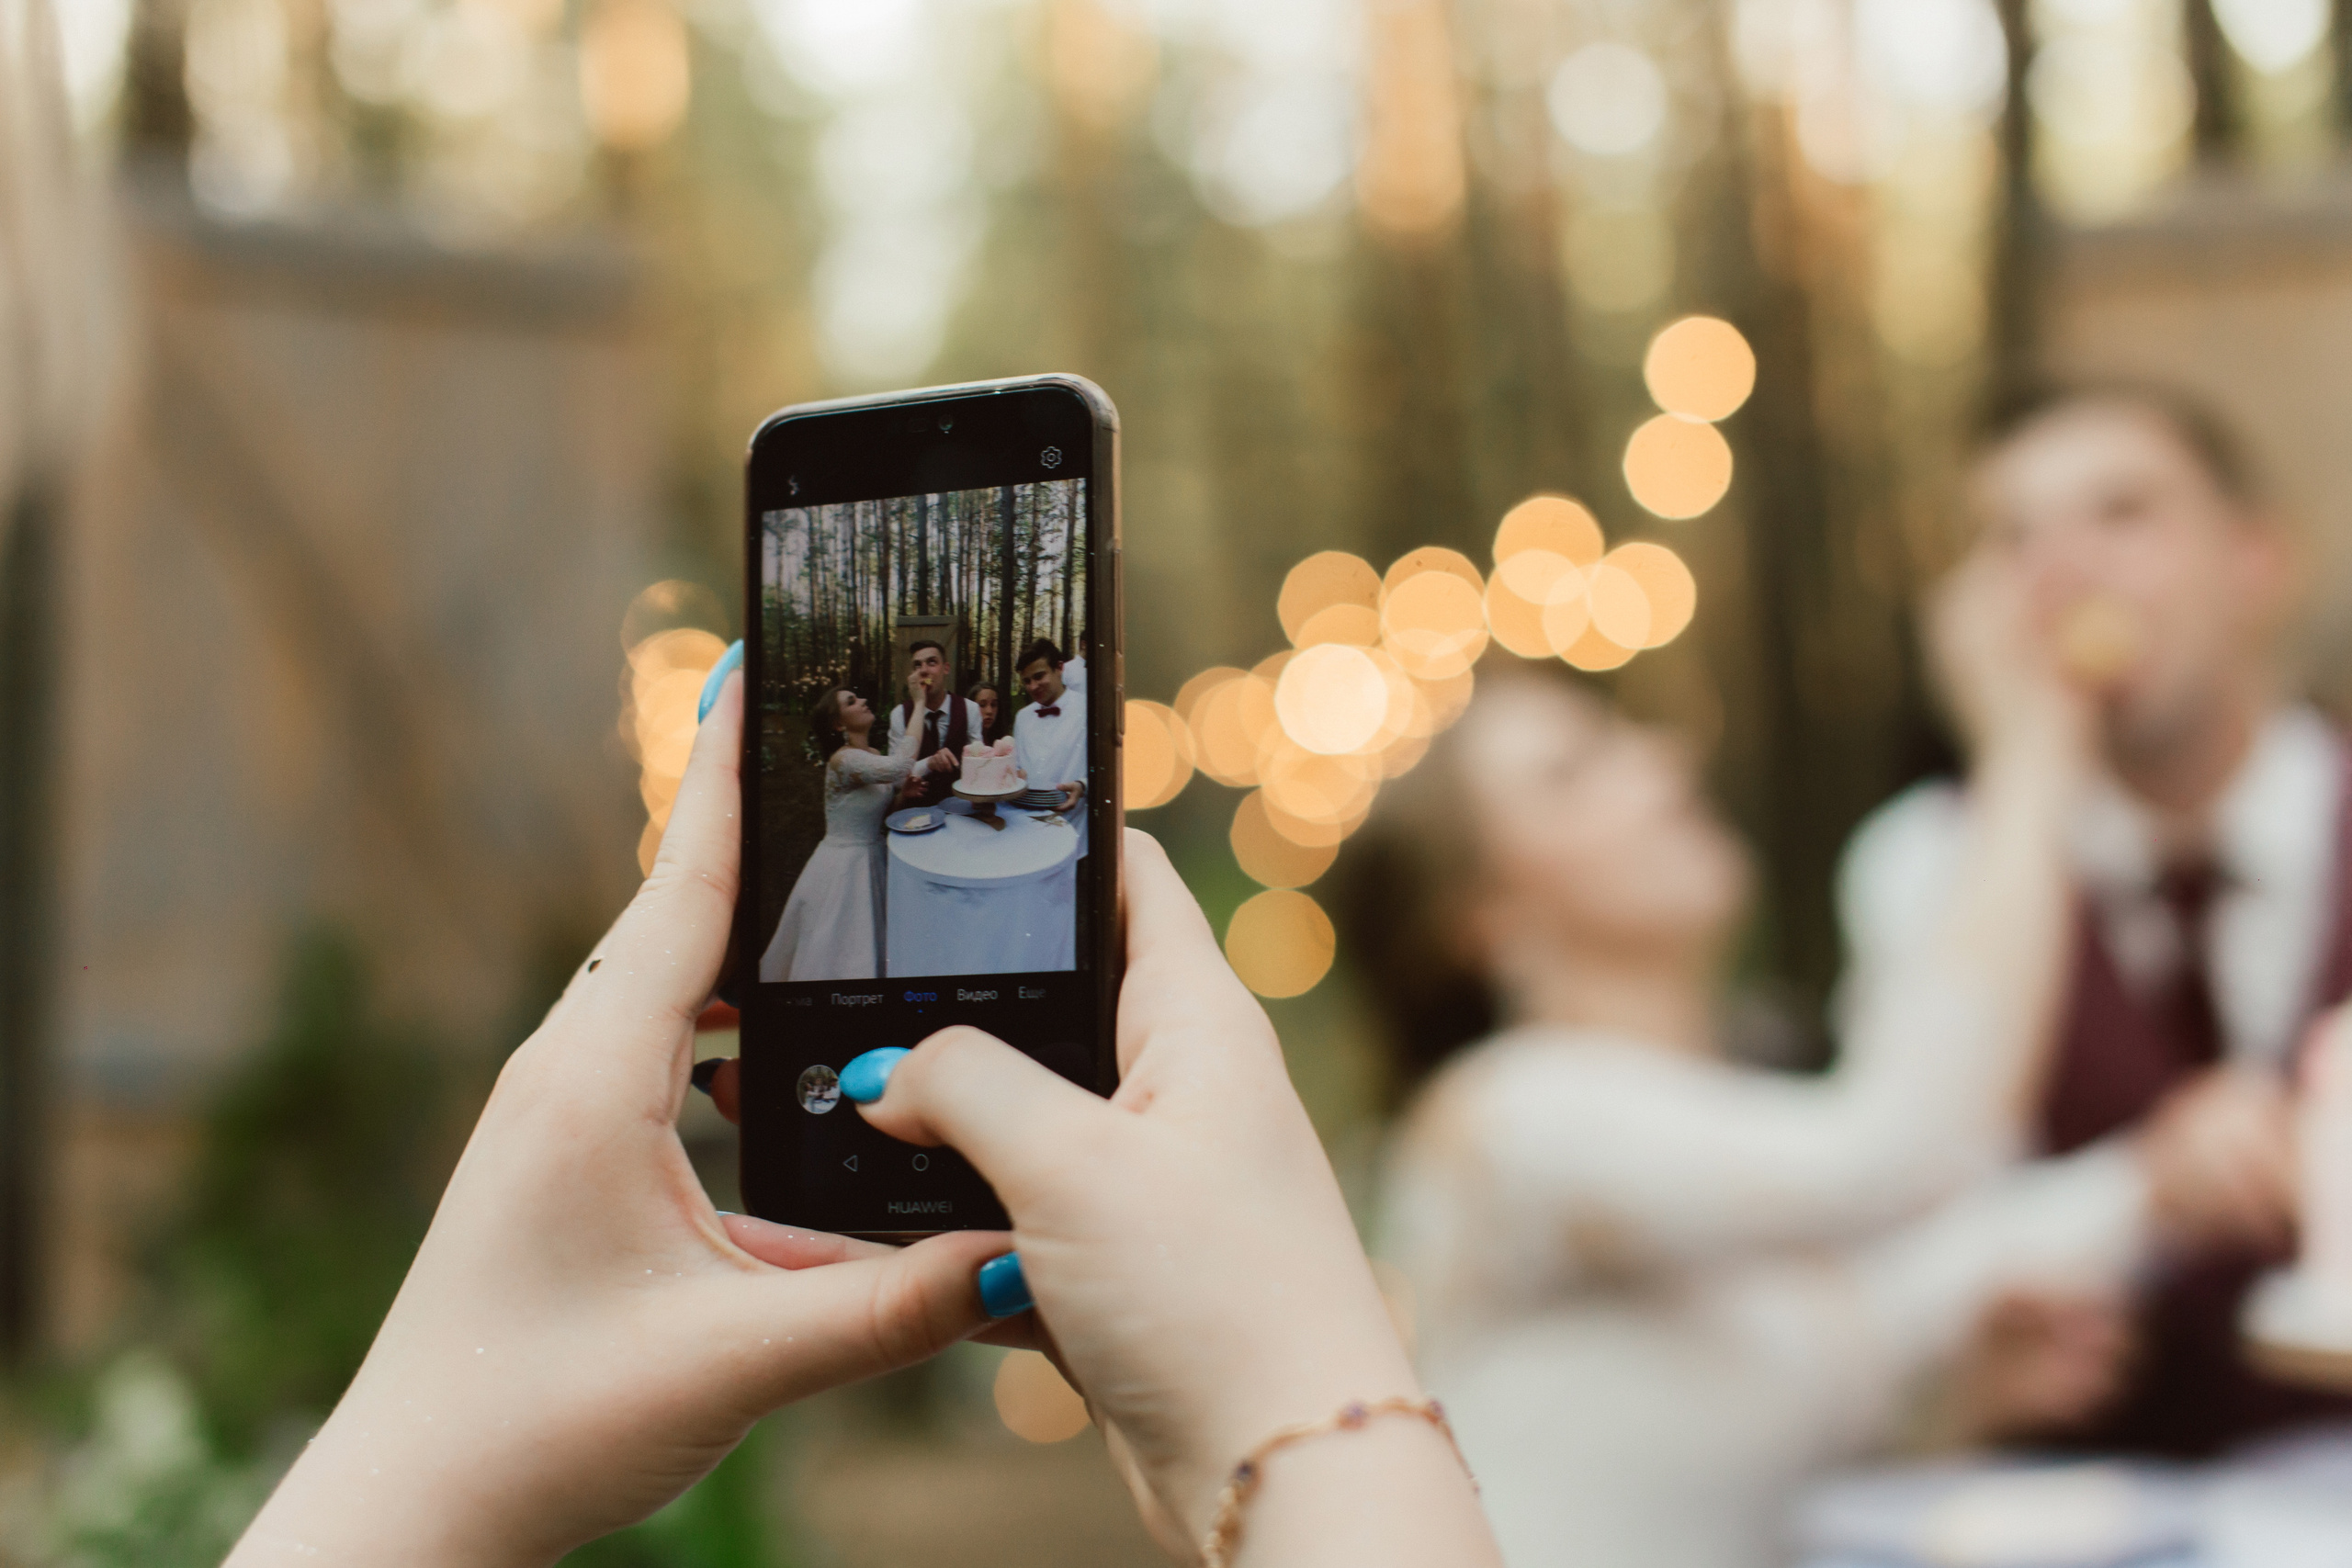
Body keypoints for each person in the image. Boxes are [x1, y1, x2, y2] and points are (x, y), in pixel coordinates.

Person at [224, 672, 1500, 1568]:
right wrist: (1302, 1395)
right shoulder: (861, 756)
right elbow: (896, 777)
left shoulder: (895, 741)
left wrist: (408, 1483)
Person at [1340, 564, 2169, 1568]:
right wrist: (2030, 754)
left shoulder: (1729, 1114)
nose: (1662, 764)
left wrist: (2163, 1187)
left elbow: (1893, 1296)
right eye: (1573, 774)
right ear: (1484, 919)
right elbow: (1902, 1150)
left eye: (1625, 740)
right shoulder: (1506, 1118)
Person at [1841, 381, 2343, 1456]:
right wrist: (2142, 1190)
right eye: (2013, 537)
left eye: (2123, 514)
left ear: (2255, 562)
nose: (2061, 573)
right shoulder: (1929, 863)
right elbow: (1887, 1257)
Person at [757, 684, 952, 982]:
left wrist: (904, 794)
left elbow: (883, 808)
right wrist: (919, 702)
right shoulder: (843, 760)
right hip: (843, 869)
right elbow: (900, 767)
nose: (863, 700)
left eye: (859, 696)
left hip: (873, 860)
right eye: (851, 702)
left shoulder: (871, 755)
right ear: (839, 724)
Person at [890, 639, 985, 808]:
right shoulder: (899, 714)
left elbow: (979, 763)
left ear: (946, 668)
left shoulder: (970, 709)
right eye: (917, 665)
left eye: (932, 663)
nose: (924, 671)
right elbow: (895, 779)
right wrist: (928, 764)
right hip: (916, 813)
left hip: (961, 809)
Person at [1012, 637, 1087, 816]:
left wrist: (1083, 785)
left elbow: (1106, 769)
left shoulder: (1088, 710)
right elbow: (1016, 765)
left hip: (1072, 820)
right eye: (1027, 681)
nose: (1033, 686)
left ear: (1060, 668)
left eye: (1039, 676)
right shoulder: (1022, 717)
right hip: (1025, 817)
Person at [968, 680, 1009, 745]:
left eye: (993, 705)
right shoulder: (962, 741)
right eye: (982, 705)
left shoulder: (1003, 742)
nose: (989, 711)